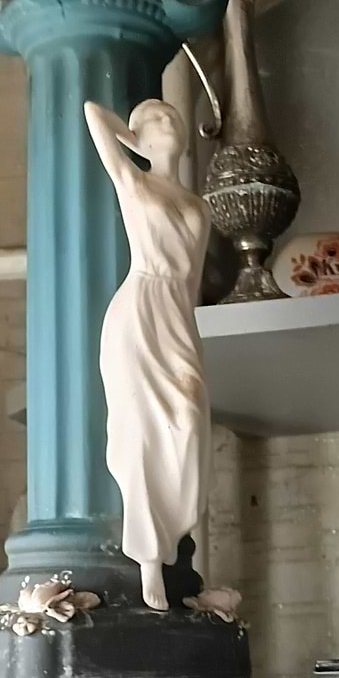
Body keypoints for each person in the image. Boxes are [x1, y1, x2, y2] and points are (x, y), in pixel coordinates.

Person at [83, 94, 213, 609]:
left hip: (177, 313)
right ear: (141, 136)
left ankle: (172, 533)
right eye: (157, 119)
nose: (169, 121)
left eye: (172, 115)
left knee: (188, 421)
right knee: (139, 432)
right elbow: (93, 113)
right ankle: (149, 562)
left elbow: (193, 280)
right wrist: (130, 137)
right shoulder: (134, 182)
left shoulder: (199, 206)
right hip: (137, 310)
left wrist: (189, 330)